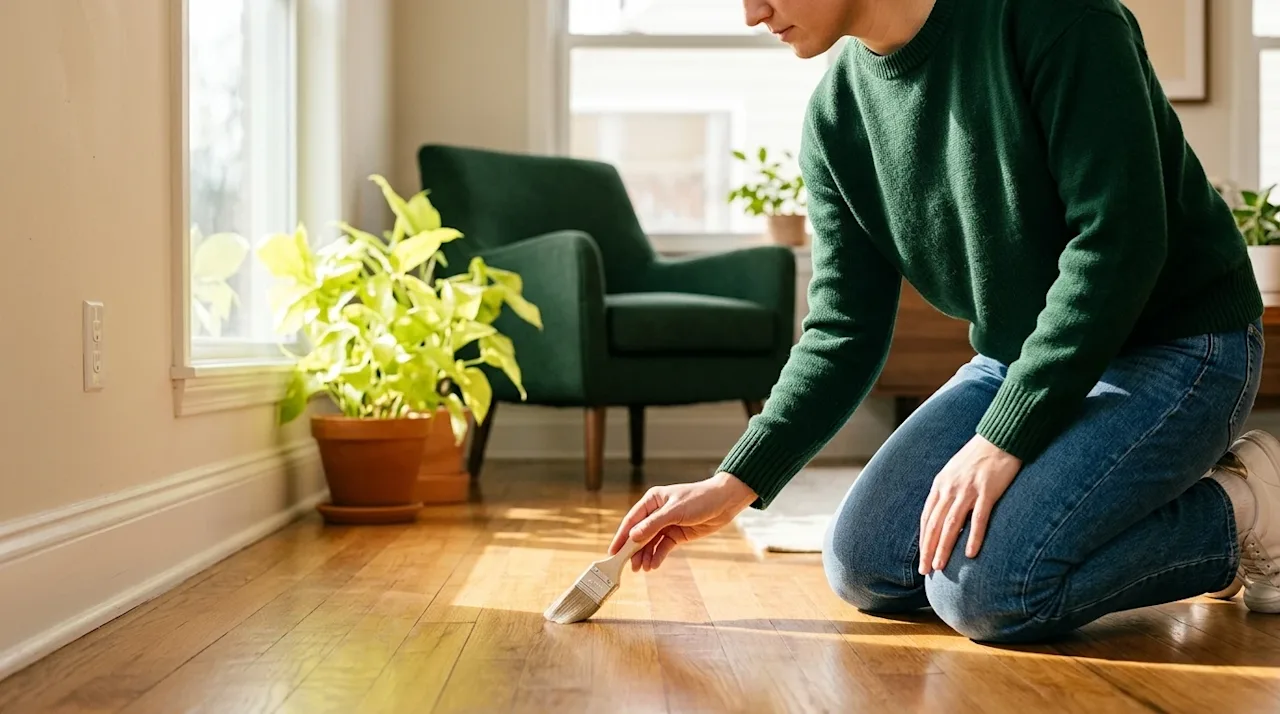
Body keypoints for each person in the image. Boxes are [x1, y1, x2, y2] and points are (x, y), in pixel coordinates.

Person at [607, 0, 1280, 644]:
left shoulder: (1056, 18)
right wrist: (735, 482)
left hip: (1178, 346)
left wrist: (1002, 439)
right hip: (1017, 358)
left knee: (990, 593)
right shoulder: (836, 115)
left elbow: (1119, 245)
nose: (751, 14)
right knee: (866, 565)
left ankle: (1246, 513)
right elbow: (844, 327)